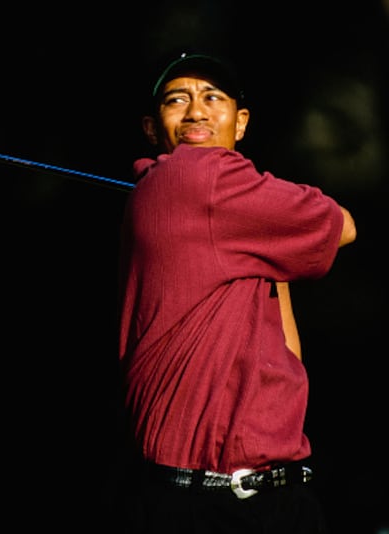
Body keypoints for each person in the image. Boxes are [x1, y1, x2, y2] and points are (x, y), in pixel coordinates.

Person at [115, 51, 357, 533]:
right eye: (177, 100)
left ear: (241, 121)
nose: (196, 112)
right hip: (208, 507)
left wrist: (269, 235)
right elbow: (344, 225)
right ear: (151, 127)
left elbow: (286, 352)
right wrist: (272, 214)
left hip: (274, 495)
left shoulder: (227, 214)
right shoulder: (196, 177)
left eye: (213, 98)